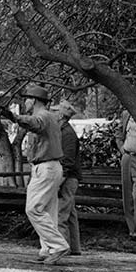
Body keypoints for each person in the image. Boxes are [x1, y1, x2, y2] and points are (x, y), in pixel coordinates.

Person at [0, 84, 68, 264]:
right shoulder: (50, 117)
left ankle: (58, 245)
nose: (26, 102)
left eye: (27, 99)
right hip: (49, 166)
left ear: (35, 100)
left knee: (33, 209)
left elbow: (34, 124)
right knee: (47, 210)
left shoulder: (43, 116)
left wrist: (14, 117)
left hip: (46, 167)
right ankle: (47, 249)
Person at [116, 95, 136, 242]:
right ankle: (132, 231)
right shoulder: (126, 114)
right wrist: (122, 149)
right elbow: (118, 134)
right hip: (127, 157)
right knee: (127, 195)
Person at [55, 101, 82, 255]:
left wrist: (59, 181)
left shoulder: (67, 134)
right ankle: (74, 247)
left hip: (68, 178)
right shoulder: (65, 131)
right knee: (70, 213)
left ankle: (62, 247)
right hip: (69, 177)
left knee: (61, 213)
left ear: (60, 116)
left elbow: (68, 162)